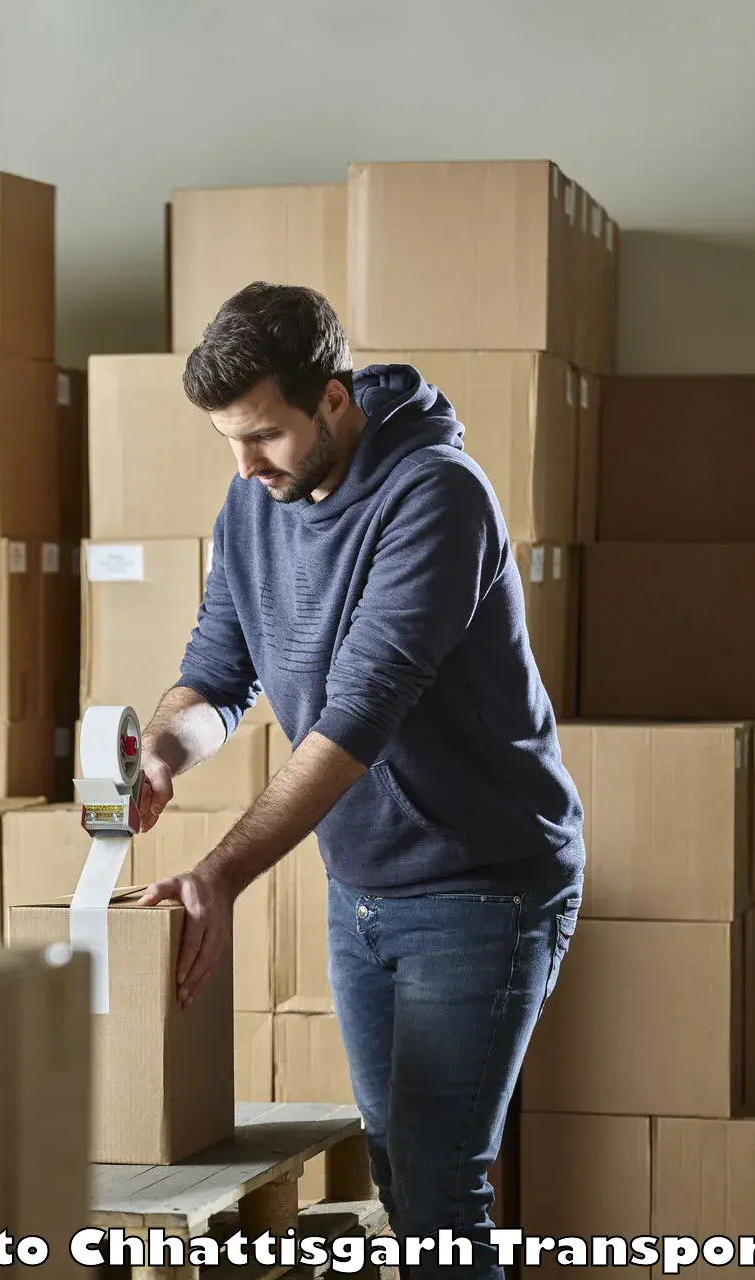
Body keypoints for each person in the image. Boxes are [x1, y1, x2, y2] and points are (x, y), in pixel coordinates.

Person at [135, 282, 583, 1278]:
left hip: (483, 884)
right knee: (398, 1174)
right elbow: (213, 672)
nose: (246, 466)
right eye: (228, 443)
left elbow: (358, 715)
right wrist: (159, 750)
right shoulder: (253, 503)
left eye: (264, 436)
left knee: (436, 1192)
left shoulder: (435, 493)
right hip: (364, 887)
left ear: (332, 399)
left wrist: (219, 871)